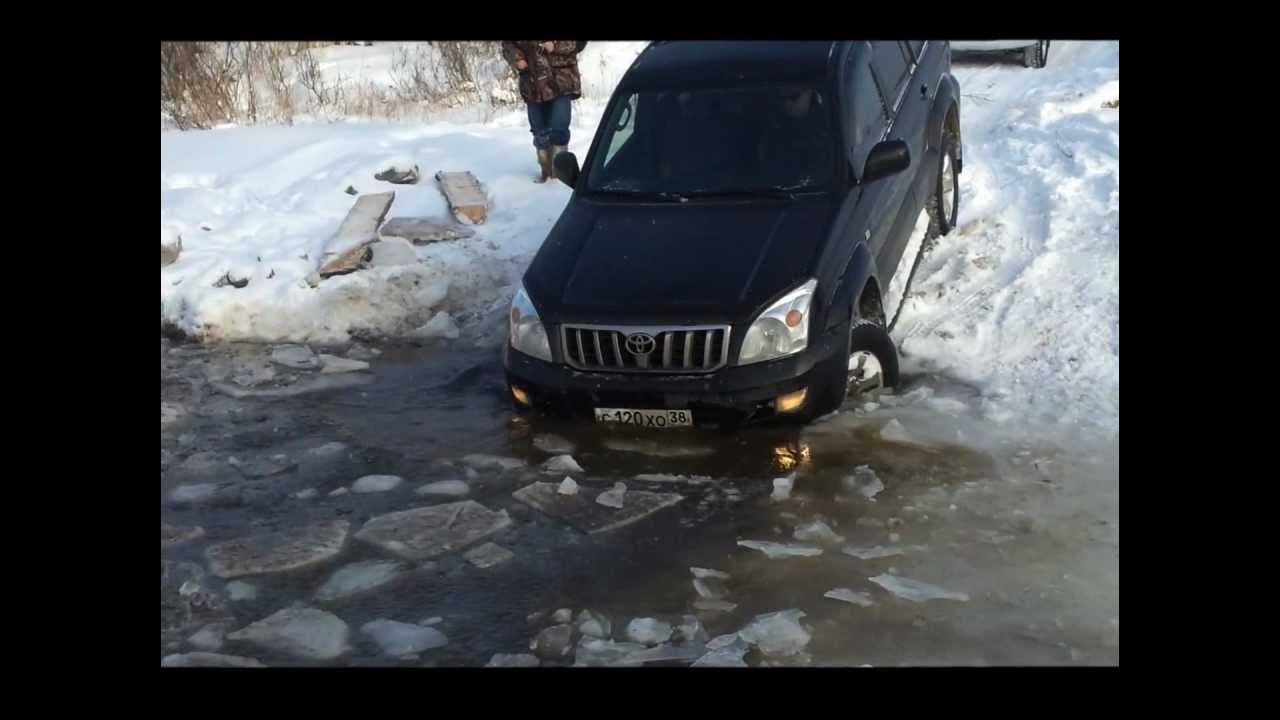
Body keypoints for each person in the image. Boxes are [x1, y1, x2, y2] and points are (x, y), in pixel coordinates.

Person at [501, 41, 586, 183]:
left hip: (561, 82)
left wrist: (556, 46)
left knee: (559, 129)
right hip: (532, 84)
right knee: (540, 132)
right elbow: (508, 45)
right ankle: (546, 173)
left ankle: (559, 177)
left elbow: (579, 43)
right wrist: (517, 58)